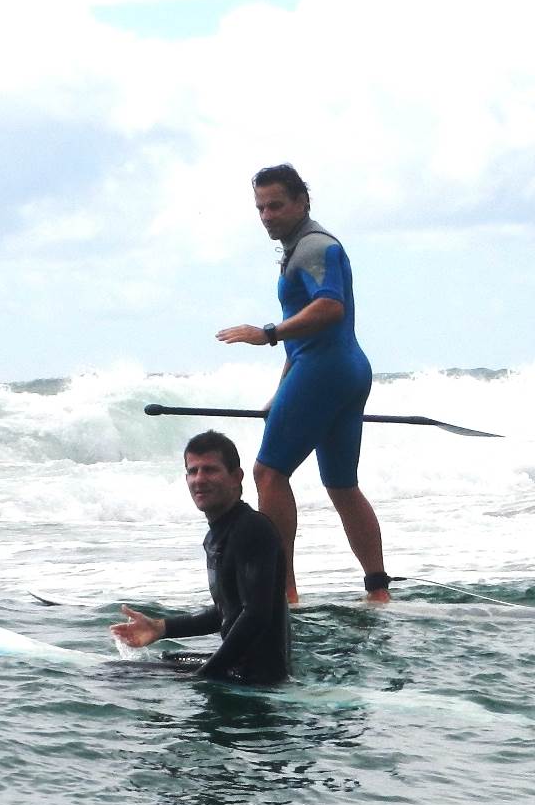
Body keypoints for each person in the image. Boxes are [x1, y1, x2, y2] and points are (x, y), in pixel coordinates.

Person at [214, 163, 392, 605]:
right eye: (260, 208)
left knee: (268, 473)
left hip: (325, 370)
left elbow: (330, 308)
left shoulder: (314, 246)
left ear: (302, 202)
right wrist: (281, 393)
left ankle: (282, 592)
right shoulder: (303, 247)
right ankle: (378, 591)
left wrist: (268, 333)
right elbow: (305, 342)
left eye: (276, 205)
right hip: (343, 370)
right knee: (341, 484)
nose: (267, 216)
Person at [111, 430, 290, 686]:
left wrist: (204, 677)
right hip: (241, 669)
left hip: (257, 678)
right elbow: (228, 611)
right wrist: (162, 628)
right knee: (159, 661)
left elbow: (256, 615)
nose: (199, 479)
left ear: (236, 477)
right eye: (192, 471)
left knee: (118, 675)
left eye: (210, 470)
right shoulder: (221, 533)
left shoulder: (252, 529)